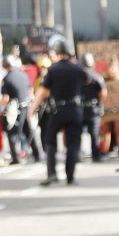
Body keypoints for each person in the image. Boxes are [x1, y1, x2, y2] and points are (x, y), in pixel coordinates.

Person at [35, 36, 88, 186]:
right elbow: (88, 81)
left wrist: (33, 108)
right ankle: (70, 177)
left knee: (50, 141)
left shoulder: (53, 69)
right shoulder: (78, 68)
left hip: (58, 110)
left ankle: (52, 173)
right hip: (75, 110)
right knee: (72, 144)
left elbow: (43, 91)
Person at [0, 54, 37, 164]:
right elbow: (30, 89)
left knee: (12, 133)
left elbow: (5, 98)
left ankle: (15, 158)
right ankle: (37, 154)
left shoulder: (7, 78)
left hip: (16, 109)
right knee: (28, 131)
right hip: (26, 106)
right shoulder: (23, 75)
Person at [80, 51, 106, 161]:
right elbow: (103, 93)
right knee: (94, 134)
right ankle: (96, 155)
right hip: (93, 109)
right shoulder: (97, 77)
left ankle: (76, 155)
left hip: (80, 108)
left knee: (77, 133)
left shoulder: (77, 77)